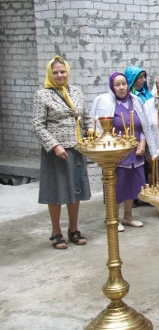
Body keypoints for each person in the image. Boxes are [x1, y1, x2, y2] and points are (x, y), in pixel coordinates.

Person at [32, 56, 92, 249]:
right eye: (56, 72)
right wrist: (55, 145)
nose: (59, 75)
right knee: (57, 191)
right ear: (50, 74)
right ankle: (56, 231)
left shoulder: (76, 91)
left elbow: (86, 117)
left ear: (68, 72)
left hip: (76, 148)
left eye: (62, 71)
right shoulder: (43, 95)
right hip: (56, 152)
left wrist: (91, 135)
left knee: (76, 189)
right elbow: (38, 126)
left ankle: (73, 229)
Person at [91, 72, 156, 232]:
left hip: (135, 152)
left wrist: (142, 143)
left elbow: (143, 126)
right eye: (117, 85)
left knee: (133, 184)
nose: (121, 88)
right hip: (117, 152)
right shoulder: (105, 102)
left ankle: (128, 216)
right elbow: (100, 129)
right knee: (117, 186)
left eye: (124, 84)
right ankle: (114, 217)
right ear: (112, 87)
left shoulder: (136, 101)